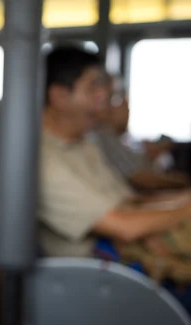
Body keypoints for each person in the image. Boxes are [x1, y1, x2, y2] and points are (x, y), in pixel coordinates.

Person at [38, 46, 191, 291]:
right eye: (93, 87)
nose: (106, 95)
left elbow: (128, 202)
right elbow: (125, 226)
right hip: (103, 272)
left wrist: (178, 201)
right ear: (59, 97)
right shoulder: (45, 162)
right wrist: (185, 208)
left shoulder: (84, 144)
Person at [89, 74, 190, 191]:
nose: (126, 109)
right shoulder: (103, 137)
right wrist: (185, 182)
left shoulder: (117, 139)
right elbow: (144, 180)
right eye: (119, 100)